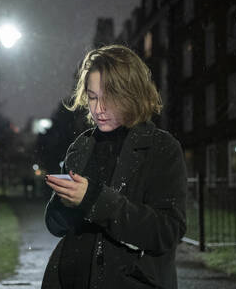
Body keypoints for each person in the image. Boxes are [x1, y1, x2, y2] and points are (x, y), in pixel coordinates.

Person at [42, 45, 187, 289]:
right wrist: (63, 204)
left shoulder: (162, 148)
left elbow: (167, 231)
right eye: (92, 96)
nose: (98, 109)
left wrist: (93, 199)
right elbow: (57, 227)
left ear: (132, 93)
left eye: (109, 97)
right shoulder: (81, 146)